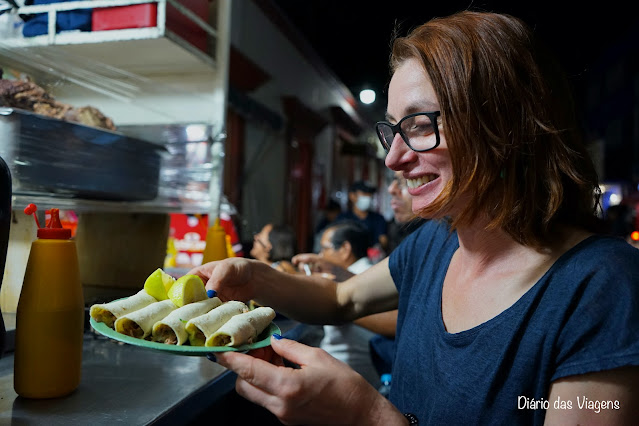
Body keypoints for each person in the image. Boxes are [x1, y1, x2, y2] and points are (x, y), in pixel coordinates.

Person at [189, 11, 639, 425]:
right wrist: (255, 278)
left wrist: (365, 415)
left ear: (503, 125)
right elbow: (342, 300)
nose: (394, 158)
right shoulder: (438, 244)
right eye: (392, 130)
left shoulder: (601, 285)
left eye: (420, 125)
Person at [293, 220, 380, 387]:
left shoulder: (347, 279)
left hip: (346, 368)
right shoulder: (371, 271)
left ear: (345, 249)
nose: (320, 255)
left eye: (325, 248)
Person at [336, 180, 388, 251]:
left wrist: (378, 248)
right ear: (352, 196)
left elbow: (383, 240)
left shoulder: (378, 218)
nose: (368, 197)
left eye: (370, 194)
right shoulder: (343, 218)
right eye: (364, 193)